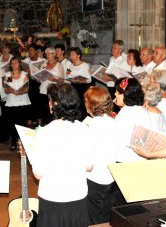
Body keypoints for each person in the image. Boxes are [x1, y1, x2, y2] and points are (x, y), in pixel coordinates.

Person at [30, 83, 93, 227]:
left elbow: (38, 174)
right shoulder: (84, 129)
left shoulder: (44, 133)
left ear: (54, 105)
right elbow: (89, 166)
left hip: (52, 196)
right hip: (78, 194)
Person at [83, 86, 121, 225]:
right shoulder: (114, 123)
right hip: (110, 175)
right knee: (105, 215)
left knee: (92, 216)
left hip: (94, 177)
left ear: (90, 106)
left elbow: (87, 158)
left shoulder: (90, 126)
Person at [114, 77, 151, 163]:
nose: (115, 94)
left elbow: (119, 138)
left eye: (118, 93)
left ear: (126, 94)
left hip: (125, 158)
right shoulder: (141, 109)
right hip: (136, 158)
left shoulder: (127, 112)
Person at [4, 57, 31, 151]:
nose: (14, 64)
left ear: (19, 64)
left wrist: (20, 92)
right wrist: (10, 90)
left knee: (22, 123)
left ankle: (23, 143)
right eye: (12, 63)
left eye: (16, 62)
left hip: (22, 101)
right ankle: (13, 143)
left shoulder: (24, 74)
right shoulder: (8, 75)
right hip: (11, 102)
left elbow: (27, 88)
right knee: (12, 124)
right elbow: (6, 89)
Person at [39, 47, 65, 124]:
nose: (48, 55)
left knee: (54, 109)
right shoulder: (43, 64)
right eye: (46, 54)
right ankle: (44, 125)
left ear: (54, 55)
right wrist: (39, 77)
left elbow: (62, 80)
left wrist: (55, 80)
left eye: (50, 54)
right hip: (43, 89)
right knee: (44, 109)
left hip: (54, 91)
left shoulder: (59, 65)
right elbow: (40, 78)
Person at [67, 47, 92, 119]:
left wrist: (79, 80)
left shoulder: (85, 65)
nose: (71, 57)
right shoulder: (70, 65)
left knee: (81, 106)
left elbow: (89, 79)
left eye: (73, 55)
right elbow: (67, 75)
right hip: (72, 88)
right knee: (73, 106)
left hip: (81, 88)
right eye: (70, 55)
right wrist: (70, 79)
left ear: (78, 55)